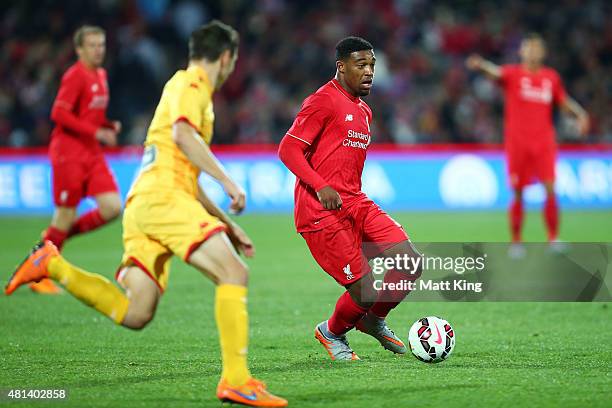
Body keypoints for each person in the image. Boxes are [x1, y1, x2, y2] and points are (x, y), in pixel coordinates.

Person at [6, 20, 287, 407]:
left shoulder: (179, 86)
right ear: (225, 58)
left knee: (136, 312)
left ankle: (51, 265)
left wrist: (227, 224)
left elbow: (184, 169)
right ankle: (236, 380)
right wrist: (229, 183)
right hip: (163, 200)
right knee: (233, 272)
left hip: (145, 203)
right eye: (232, 62)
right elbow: (183, 137)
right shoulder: (193, 86)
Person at [278, 36, 422, 361]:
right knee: (365, 289)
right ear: (341, 67)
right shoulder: (322, 101)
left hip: (355, 202)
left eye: (371, 65)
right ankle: (331, 332)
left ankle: (373, 320)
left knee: (410, 263)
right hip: (321, 211)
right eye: (361, 65)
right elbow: (288, 149)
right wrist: (320, 185)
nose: (369, 71)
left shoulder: (365, 111)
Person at [466, 33, 589, 254]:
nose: (532, 52)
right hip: (518, 144)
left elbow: (563, 101)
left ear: (543, 53)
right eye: (528, 48)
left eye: (536, 48)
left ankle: (553, 238)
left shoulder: (551, 78)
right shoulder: (512, 75)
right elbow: (495, 72)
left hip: (543, 143)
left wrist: (580, 114)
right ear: (521, 52)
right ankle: (516, 242)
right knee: (518, 192)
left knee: (550, 188)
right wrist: (481, 64)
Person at [32, 25, 122, 294]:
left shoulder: (102, 74)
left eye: (102, 45)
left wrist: (106, 125)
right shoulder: (74, 76)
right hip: (68, 153)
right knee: (65, 213)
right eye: (93, 45)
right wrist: (97, 131)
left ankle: (50, 241)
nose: (98, 50)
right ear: (79, 49)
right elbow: (59, 114)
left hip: (91, 152)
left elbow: (88, 113)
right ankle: (40, 275)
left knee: (112, 207)